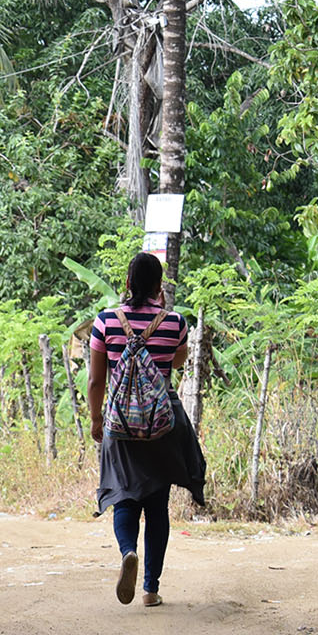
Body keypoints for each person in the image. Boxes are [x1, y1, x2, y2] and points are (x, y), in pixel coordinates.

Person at [86, 252, 206, 608]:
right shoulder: (175, 323)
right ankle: (151, 589)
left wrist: (96, 419)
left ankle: (128, 551)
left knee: (123, 495)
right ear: (158, 286)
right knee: (157, 504)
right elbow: (175, 362)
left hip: (120, 424)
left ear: (127, 283)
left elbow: (95, 380)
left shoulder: (105, 321)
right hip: (162, 423)